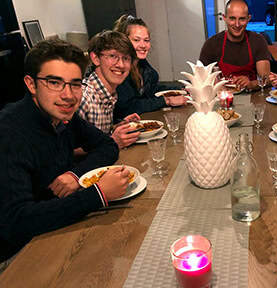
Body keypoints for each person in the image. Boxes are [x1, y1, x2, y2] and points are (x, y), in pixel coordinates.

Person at [0, 38, 130, 264]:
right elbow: (16, 223)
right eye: (54, 82)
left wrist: (75, 175)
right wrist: (97, 194)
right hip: (20, 254)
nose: (68, 95)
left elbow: (107, 145)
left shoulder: (63, 116)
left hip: (59, 224)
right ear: (31, 85)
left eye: (75, 84)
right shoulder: (9, 133)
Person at [113, 15, 187, 120]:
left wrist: (181, 89)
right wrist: (167, 101)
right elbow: (128, 107)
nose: (143, 45)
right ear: (124, 42)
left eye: (146, 40)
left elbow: (151, 89)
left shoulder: (141, 64)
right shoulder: (118, 70)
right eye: (136, 40)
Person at [78, 30, 141, 149]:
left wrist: (116, 127)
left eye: (126, 58)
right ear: (95, 58)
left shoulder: (108, 93)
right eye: (112, 56)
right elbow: (66, 152)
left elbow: (93, 136)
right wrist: (112, 141)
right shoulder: (84, 98)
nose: (121, 65)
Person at [199, 0, 271, 90]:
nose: (237, 24)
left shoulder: (258, 41)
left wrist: (251, 84)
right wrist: (214, 84)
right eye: (232, 18)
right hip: (221, 98)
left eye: (242, 19)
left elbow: (267, 79)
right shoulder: (211, 44)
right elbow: (201, 79)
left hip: (252, 97)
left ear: (248, 19)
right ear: (225, 18)